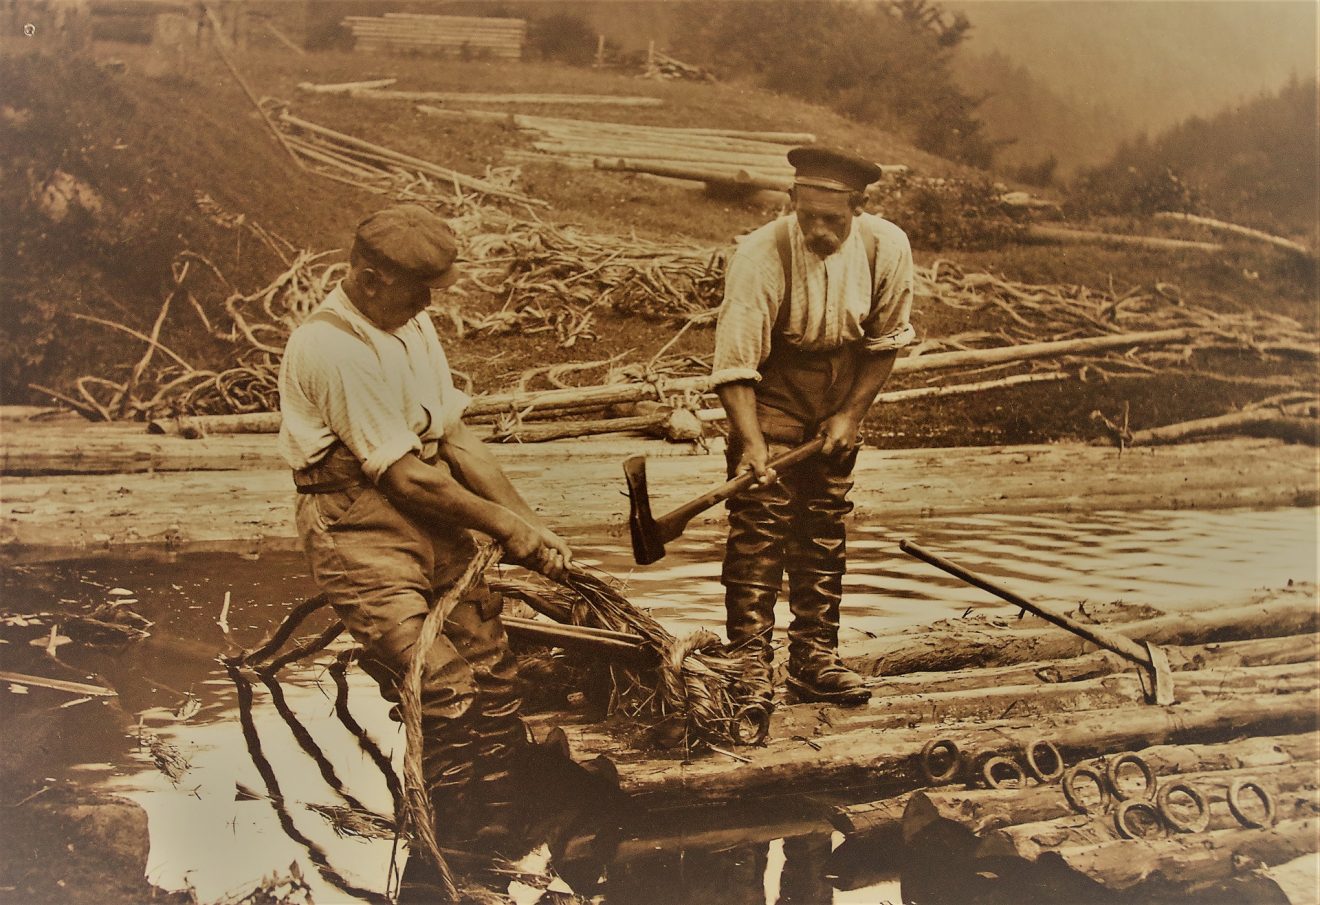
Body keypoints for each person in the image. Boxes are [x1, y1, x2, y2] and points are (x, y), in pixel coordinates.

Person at [277, 203, 574, 861]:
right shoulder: (329, 345)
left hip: (437, 525)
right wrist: (501, 526)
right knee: (441, 690)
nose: (426, 302)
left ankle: (494, 850)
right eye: (417, 289)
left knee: (497, 683)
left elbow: (455, 440)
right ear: (368, 274)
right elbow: (407, 478)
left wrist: (531, 527)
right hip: (360, 536)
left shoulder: (411, 325)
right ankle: (448, 852)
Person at [711, 146, 915, 711]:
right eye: (809, 217)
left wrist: (851, 413)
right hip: (771, 389)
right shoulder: (760, 255)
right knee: (759, 521)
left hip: (840, 386)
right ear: (793, 201)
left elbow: (886, 341)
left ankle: (814, 660)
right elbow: (734, 367)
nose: (820, 231)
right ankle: (750, 663)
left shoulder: (885, 246)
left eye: (835, 219)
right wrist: (751, 444)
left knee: (823, 523)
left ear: (860, 205)